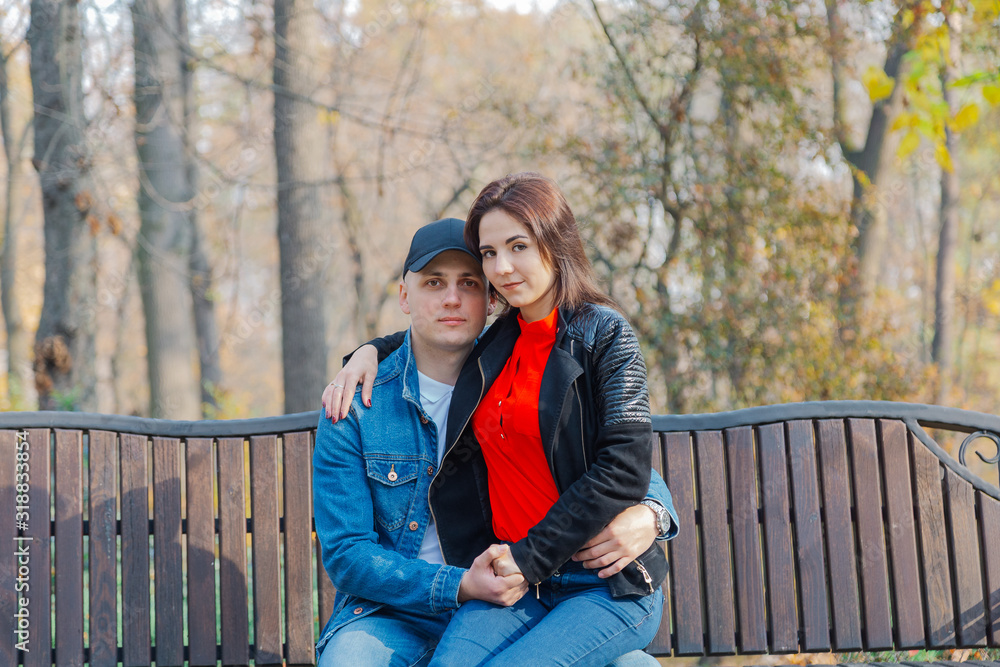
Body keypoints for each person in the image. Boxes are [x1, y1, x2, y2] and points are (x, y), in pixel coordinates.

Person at [325, 173, 677, 666]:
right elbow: (427, 337)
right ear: (405, 295)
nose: (503, 267)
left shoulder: (601, 334)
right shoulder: (493, 351)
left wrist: (655, 512)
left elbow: (623, 464)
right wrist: (365, 352)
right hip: (503, 585)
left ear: (554, 243)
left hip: (596, 581)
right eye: (490, 254)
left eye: (518, 247)